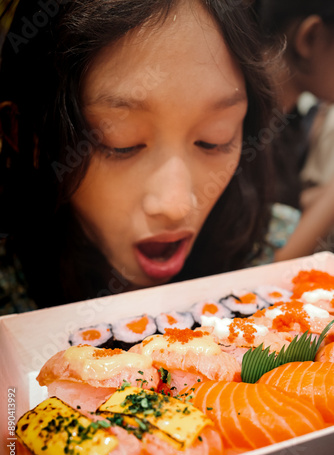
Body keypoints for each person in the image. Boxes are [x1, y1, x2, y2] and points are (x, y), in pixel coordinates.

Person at [0, 0, 276, 311]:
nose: (176, 206)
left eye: (214, 139)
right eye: (121, 144)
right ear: (24, 135)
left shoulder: (276, 259)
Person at [254, 0, 334, 262]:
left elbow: (283, 212)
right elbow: (267, 263)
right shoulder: (241, 120)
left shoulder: (289, 120)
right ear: (310, 37)